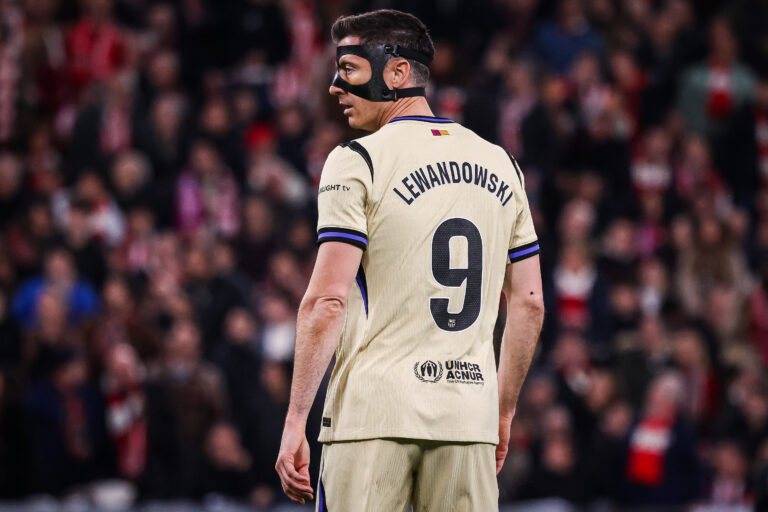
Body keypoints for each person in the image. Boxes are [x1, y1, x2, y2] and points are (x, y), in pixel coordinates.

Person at [275, 9, 545, 511]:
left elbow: (327, 300)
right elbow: (529, 304)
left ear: (396, 73)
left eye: (349, 69)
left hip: (371, 421)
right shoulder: (501, 163)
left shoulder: (358, 159)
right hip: (467, 421)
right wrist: (502, 412)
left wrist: (296, 420)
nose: (335, 86)